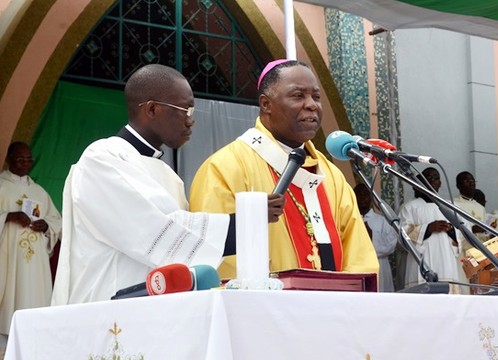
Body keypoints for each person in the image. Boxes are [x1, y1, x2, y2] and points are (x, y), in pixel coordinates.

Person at [51, 64, 285, 304]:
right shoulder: (103, 159)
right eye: (185, 110)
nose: (191, 121)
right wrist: (247, 218)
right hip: (108, 306)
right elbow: (158, 233)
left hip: (155, 306)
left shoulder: (168, 174)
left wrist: (252, 218)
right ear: (152, 109)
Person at [189, 59, 378, 279]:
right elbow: (218, 256)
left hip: (334, 309)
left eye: (316, 97)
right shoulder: (225, 167)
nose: (311, 105)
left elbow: (359, 256)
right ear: (266, 104)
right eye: (298, 95)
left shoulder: (331, 176)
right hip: (269, 308)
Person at [0, 142, 61, 338]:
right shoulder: (1, 186)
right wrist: (8, 217)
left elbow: (56, 221)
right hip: (8, 255)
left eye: (29, 160)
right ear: (9, 159)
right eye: (20, 159)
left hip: (35, 261)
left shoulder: (39, 192)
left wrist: (46, 226)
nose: (25, 163)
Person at [398, 167, 462, 293]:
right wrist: (427, 228)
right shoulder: (410, 207)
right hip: (421, 262)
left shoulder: (451, 207)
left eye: (436, 177)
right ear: (420, 182)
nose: (432, 180)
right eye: (428, 177)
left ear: (440, 183)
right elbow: (401, 234)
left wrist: (451, 231)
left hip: (446, 260)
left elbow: (463, 231)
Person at [353, 183, 397, 292]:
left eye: (365, 194)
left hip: (379, 267)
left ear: (371, 197)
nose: (362, 197)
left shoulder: (382, 220)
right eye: (358, 194)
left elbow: (391, 245)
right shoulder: (349, 221)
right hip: (356, 267)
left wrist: (372, 236)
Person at [453, 171, 487, 240]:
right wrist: (472, 229)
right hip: (463, 247)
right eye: (467, 181)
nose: (471, 183)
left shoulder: (480, 207)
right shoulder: (453, 204)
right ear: (458, 186)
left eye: (472, 180)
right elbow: (452, 229)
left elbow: (484, 232)